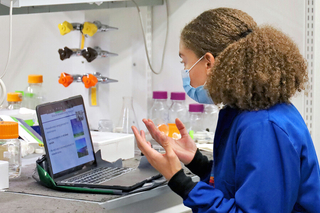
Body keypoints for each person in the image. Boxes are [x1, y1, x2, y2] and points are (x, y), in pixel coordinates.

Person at [131, 7, 320, 212]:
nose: (185, 73)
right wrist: (197, 162)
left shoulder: (263, 126)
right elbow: (240, 184)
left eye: (184, 62)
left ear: (209, 62)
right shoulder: (245, 112)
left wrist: (179, 180)